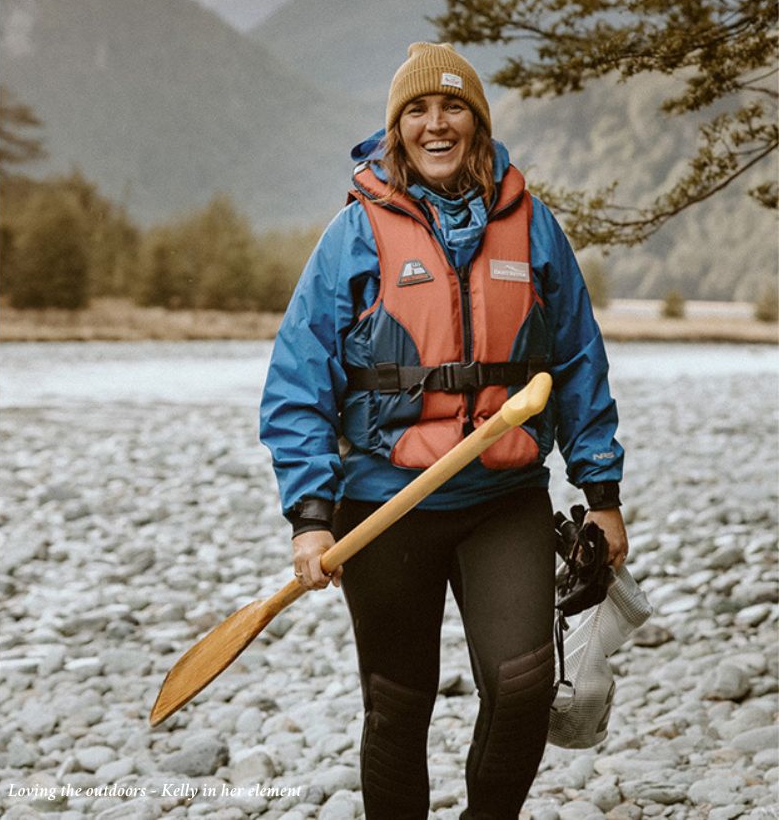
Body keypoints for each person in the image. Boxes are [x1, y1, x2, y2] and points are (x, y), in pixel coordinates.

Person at [258, 42, 628, 819]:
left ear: (478, 124)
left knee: (523, 686)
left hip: (504, 498)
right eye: (417, 110)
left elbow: (578, 357)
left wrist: (602, 491)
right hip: (385, 503)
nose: (436, 123)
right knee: (398, 705)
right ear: (397, 129)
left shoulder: (531, 227)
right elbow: (298, 385)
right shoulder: (354, 236)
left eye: (453, 107)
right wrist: (310, 518)